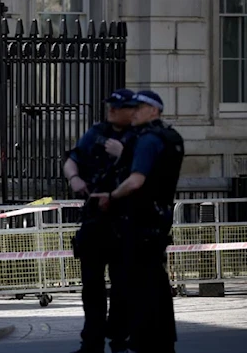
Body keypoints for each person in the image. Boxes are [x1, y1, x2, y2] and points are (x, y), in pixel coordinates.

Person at [90, 90, 185, 353]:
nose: (134, 112)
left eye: (139, 108)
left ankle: (142, 341)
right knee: (157, 284)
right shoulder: (171, 137)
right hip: (159, 218)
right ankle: (161, 341)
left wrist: (110, 195)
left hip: (140, 221)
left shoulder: (148, 139)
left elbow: (135, 181)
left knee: (138, 286)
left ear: (154, 111)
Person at [63, 88, 137, 353]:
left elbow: (148, 173)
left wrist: (123, 153)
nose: (112, 112)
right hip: (95, 218)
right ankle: (91, 343)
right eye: (110, 107)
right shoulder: (97, 132)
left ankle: (119, 340)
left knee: (123, 286)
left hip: (125, 219)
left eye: (119, 108)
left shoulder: (142, 136)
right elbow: (72, 159)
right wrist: (74, 178)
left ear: (132, 110)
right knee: (91, 286)